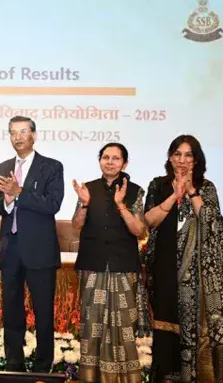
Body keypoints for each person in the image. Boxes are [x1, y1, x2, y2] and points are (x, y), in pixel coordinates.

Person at [143, 135, 223, 382]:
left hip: (197, 274)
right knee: (165, 324)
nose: (182, 160)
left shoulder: (206, 187)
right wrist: (174, 195)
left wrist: (191, 191)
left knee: (193, 325)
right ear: (170, 158)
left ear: (196, 159)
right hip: (165, 267)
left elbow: (213, 224)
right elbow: (149, 221)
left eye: (188, 155)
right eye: (177, 154)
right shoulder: (158, 185)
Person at [0, 115, 64, 373]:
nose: (17, 137)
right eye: (13, 133)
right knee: (11, 310)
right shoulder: (1, 167)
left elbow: (52, 204)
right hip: (11, 251)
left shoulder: (51, 167)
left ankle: (43, 365)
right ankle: (14, 362)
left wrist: (19, 193)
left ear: (34, 135)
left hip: (40, 251)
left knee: (43, 312)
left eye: (23, 132)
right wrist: (6, 201)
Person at [71, 143, 146, 383]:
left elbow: (139, 230)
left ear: (125, 163)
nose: (110, 162)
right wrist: (84, 203)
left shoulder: (135, 191)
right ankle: (91, 376)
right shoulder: (88, 189)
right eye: (106, 157)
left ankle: (124, 377)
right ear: (100, 161)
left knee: (123, 324)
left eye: (116, 158)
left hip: (123, 266)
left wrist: (121, 204)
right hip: (92, 264)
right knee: (92, 323)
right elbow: (76, 225)